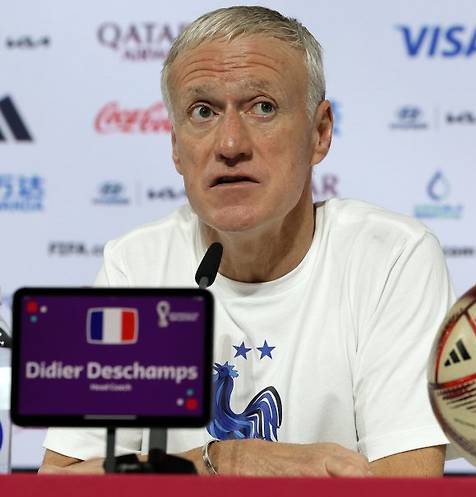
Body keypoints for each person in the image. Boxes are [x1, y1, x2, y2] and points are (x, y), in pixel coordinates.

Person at [40, 5, 454, 477]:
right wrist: (227, 460)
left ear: (320, 133)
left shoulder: (392, 259)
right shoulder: (136, 265)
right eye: (203, 111)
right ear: (175, 145)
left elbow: (405, 483)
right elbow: (59, 482)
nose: (231, 144)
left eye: (262, 107)